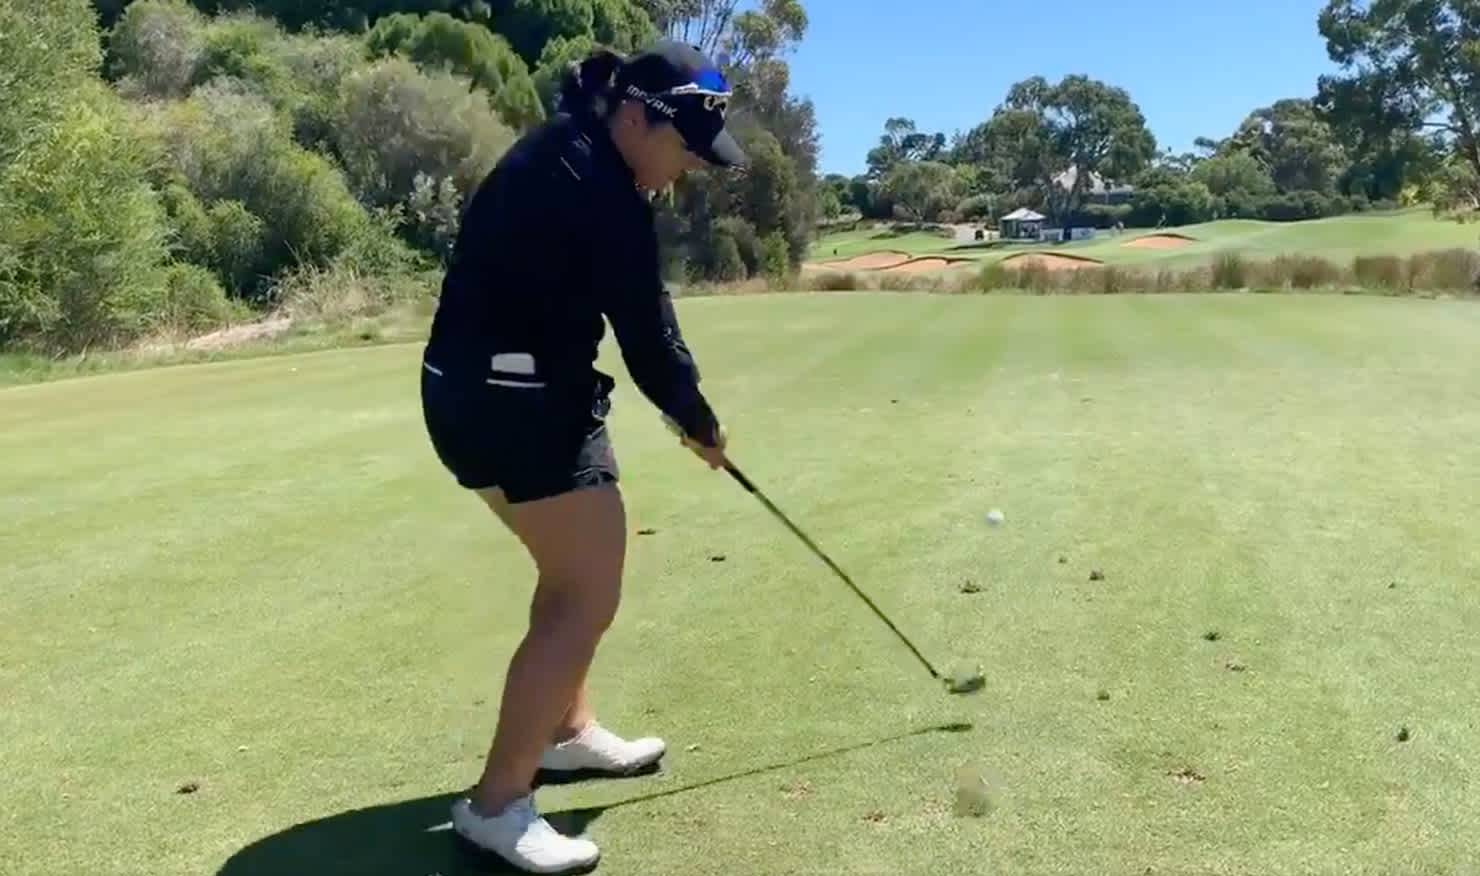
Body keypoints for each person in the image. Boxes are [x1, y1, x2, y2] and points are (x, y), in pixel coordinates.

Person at [417, 38, 743, 875]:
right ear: (636, 117)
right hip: (507, 401)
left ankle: (565, 732)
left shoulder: (578, 152)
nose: (689, 170)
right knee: (585, 589)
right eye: (685, 149)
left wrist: (685, 410)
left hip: (501, 392)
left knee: (574, 575)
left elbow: (634, 321)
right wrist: (696, 418)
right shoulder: (596, 185)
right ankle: (495, 806)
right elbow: (647, 330)